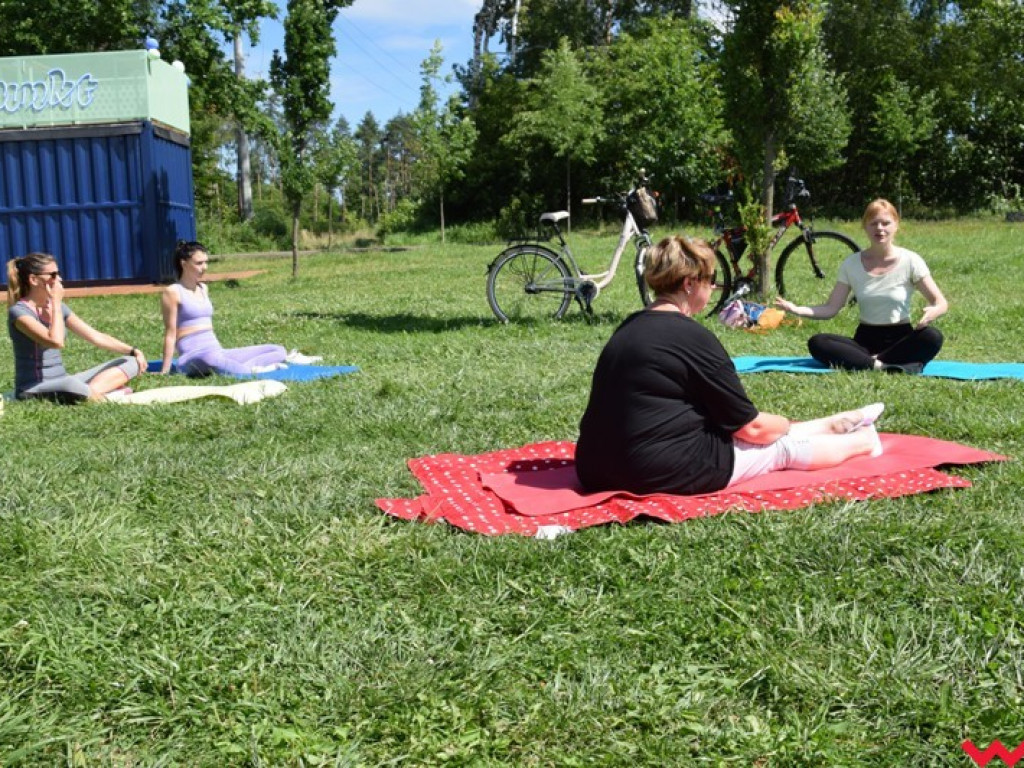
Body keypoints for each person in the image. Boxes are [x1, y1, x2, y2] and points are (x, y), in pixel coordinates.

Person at [575, 236, 884, 496]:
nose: (713, 291)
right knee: (778, 449)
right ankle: (864, 440)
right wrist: (785, 424)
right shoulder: (691, 336)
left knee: (743, 433)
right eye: (711, 281)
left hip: (593, 467)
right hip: (649, 470)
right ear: (689, 284)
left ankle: (832, 424)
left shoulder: (628, 327)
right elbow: (753, 428)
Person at [774, 198, 948, 374]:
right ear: (865, 227)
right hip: (864, 342)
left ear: (896, 225)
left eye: (885, 223)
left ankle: (867, 363)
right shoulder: (852, 263)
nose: (880, 228)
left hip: (901, 339)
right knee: (818, 342)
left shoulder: (911, 260)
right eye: (874, 223)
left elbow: (940, 302)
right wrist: (797, 309)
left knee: (932, 337)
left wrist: (932, 312)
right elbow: (831, 308)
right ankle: (883, 365)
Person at [160, 241, 319, 376]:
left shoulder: (203, 288)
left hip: (217, 351)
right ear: (183, 263)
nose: (205, 267)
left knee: (278, 350)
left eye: (206, 262)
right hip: (192, 357)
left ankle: (248, 367)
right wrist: (165, 370)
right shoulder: (173, 292)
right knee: (210, 359)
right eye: (199, 263)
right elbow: (170, 333)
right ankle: (251, 370)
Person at [6, 252, 145, 403]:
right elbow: (56, 341)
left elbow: (95, 336)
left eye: (58, 274)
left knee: (130, 362)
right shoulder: (20, 312)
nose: (59, 279)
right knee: (70, 385)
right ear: (33, 279)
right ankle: (100, 395)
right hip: (33, 388)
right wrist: (56, 304)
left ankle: (90, 393)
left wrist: (133, 350)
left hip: (63, 380)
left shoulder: (58, 307)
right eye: (53, 275)